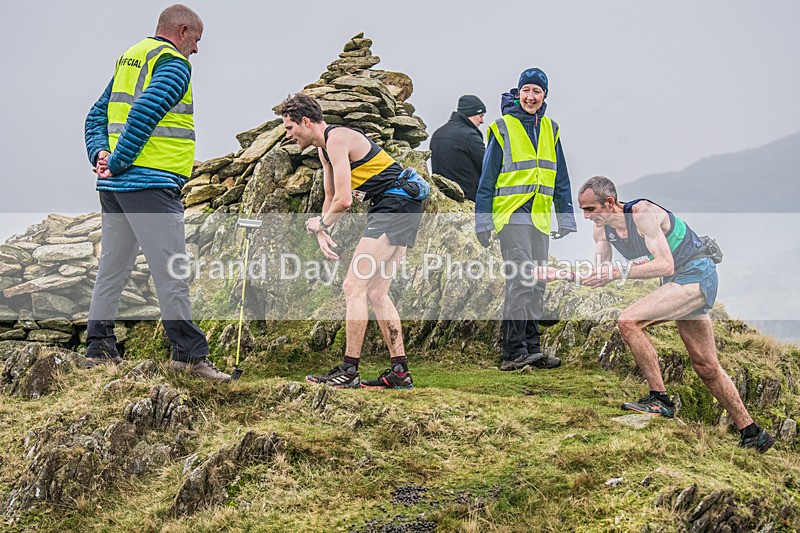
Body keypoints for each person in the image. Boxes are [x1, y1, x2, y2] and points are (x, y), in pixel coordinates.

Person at [546, 175, 773, 453]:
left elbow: (665, 264)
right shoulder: (602, 231)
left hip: (697, 273)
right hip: (677, 283)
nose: (586, 216)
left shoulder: (642, 213)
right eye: (583, 210)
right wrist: (562, 275)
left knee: (629, 321)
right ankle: (752, 433)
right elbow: (601, 274)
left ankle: (660, 400)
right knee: (705, 366)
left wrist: (620, 271)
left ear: (609, 202)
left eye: (590, 209)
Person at [83, 4, 230, 382]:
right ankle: (190, 357)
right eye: (196, 39)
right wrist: (118, 161)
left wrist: (100, 154)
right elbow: (145, 113)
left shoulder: (131, 56)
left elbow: (96, 114)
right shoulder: (173, 64)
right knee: (171, 271)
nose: (196, 49)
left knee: (112, 269)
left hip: (115, 189)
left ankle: (99, 349)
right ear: (182, 31)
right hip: (149, 185)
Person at [276, 94, 424, 389]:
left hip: (395, 203)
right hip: (402, 204)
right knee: (377, 292)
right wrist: (323, 231)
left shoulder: (337, 139)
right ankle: (399, 372)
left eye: (290, 128)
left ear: (305, 122)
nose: (288, 135)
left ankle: (349, 371)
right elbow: (332, 196)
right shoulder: (325, 151)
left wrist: (321, 223)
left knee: (353, 286)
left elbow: (344, 201)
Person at [474, 67, 577, 371]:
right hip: (511, 216)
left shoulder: (551, 129)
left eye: (537, 91)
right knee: (521, 281)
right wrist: (483, 222)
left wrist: (565, 218)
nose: (531, 97)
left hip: (540, 219)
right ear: (518, 93)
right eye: (526, 91)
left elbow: (561, 177)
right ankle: (513, 352)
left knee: (537, 283)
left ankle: (532, 349)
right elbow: (487, 179)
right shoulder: (502, 127)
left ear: (545, 96)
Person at [430, 95, 486, 201]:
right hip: (468, 199)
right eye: (480, 116)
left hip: (442, 198)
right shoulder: (469, 136)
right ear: (471, 113)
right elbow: (487, 166)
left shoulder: (437, 134)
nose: (482, 121)